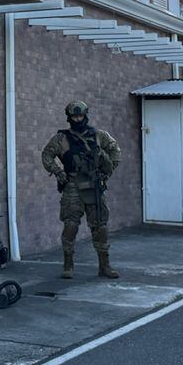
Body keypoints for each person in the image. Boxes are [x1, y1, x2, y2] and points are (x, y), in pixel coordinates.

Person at [41, 100, 121, 280]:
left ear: (86, 115)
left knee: (100, 227)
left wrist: (107, 173)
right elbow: (46, 155)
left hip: (94, 186)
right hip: (72, 186)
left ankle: (104, 266)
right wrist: (58, 172)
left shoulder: (99, 136)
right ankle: (68, 265)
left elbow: (115, 152)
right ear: (69, 117)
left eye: (80, 116)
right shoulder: (61, 138)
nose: (78, 119)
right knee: (70, 225)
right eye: (74, 116)